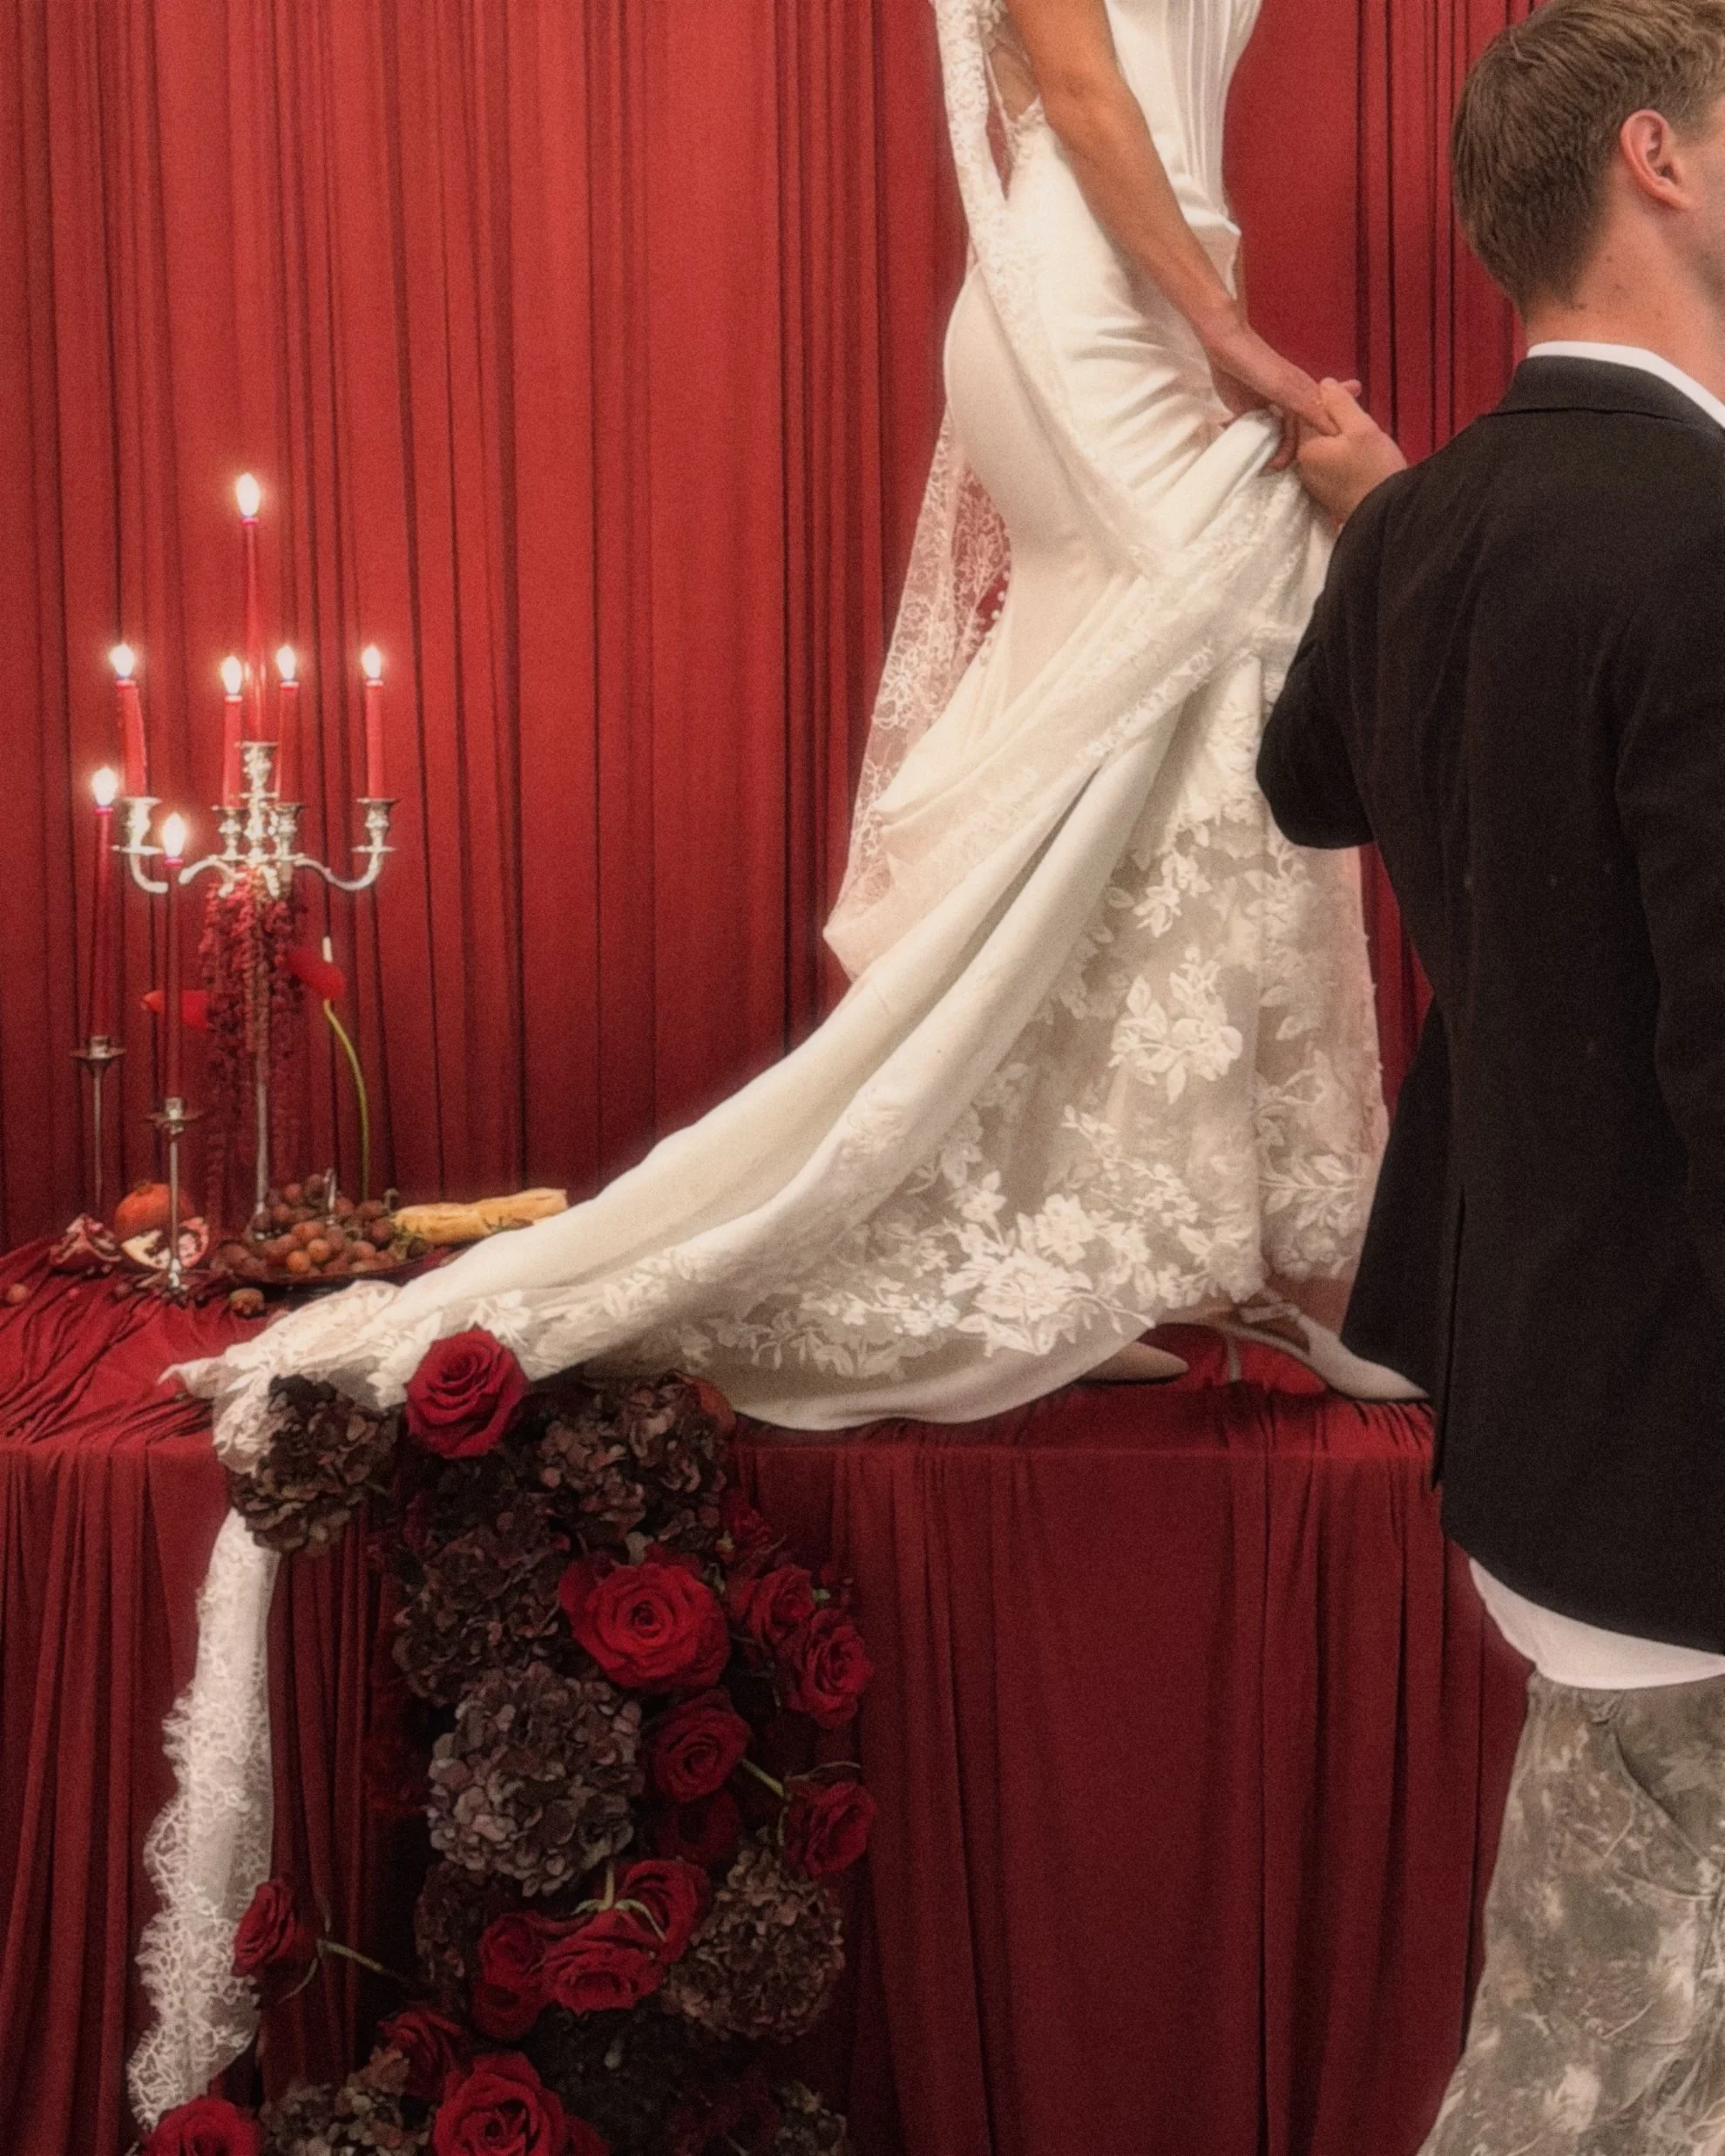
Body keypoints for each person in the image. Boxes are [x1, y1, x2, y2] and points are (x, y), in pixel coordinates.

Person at [179, 0, 1400, 1463]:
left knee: (1161, 730)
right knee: (1192, 676)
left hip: (1145, 280)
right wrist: (1236, 340)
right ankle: (1243, 1265)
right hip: (1102, 306)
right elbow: (1074, 78)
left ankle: (1113, 1251)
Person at [1257, 2, 1725, 2145]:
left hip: (1542, 1414)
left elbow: (1306, 778)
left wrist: (1391, 530)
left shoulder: (1428, 529)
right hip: (1678, 1462)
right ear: (1665, 157)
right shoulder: (1695, 539)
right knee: (1576, 2077)